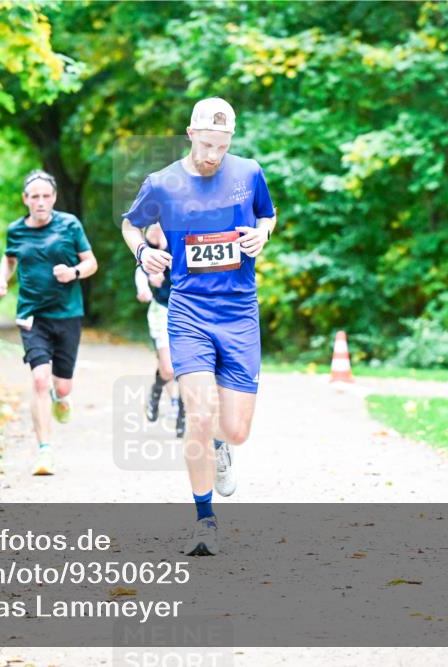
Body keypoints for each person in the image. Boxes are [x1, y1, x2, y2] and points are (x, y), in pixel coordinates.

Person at [121, 98, 276, 556]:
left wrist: (263, 233)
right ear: (191, 134)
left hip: (240, 311)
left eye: (222, 146)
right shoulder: (162, 183)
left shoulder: (249, 173)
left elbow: (267, 214)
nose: (213, 155)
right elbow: (131, 225)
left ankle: (222, 446)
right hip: (188, 310)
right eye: (207, 144)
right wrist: (143, 253)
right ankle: (204, 520)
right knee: (200, 414)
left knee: (237, 430)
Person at [0, 169, 98, 476]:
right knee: (40, 379)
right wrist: (2, 280)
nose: (40, 201)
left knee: (61, 385)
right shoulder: (16, 230)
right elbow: (9, 258)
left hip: (67, 314)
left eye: (46, 196)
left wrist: (74, 272)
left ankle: (61, 396)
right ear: (25, 199)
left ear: (54, 198)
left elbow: (91, 263)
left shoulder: (70, 225)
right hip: (32, 315)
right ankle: (44, 451)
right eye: (34, 196)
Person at [134, 223, 185, 439]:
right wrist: (144, 285)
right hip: (162, 310)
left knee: (188, 364)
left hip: (189, 309)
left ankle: (182, 414)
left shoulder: (184, 233)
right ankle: (156, 392)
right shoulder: (150, 242)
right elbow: (141, 269)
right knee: (169, 369)